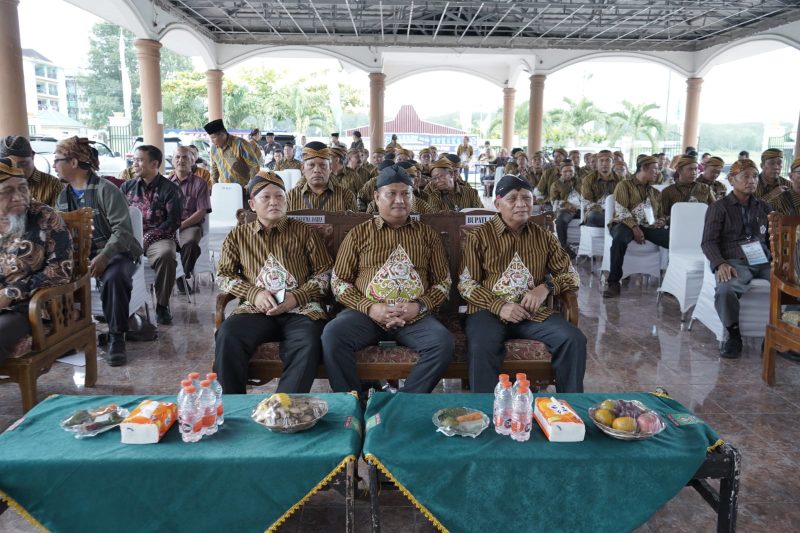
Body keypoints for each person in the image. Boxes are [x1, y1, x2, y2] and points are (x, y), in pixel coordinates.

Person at [322, 165, 454, 394]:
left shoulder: (427, 235)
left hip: (414, 316)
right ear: (376, 197)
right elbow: (339, 282)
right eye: (391, 194)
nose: (399, 200)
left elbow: (443, 283)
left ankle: (403, 404)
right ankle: (355, 401)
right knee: (333, 335)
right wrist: (370, 307)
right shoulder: (359, 234)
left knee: (442, 343)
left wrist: (419, 306)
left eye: (406, 194)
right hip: (365, 315)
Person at [458, 174, 585, 393]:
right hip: (488, 312)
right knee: (481, 345)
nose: (521, 204)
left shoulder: (544, 236)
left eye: (527, 198)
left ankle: (567, 409)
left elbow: (572, 276)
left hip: (531, 312)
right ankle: (487, 411)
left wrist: (546, 288)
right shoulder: (479, 236)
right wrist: (501, 306)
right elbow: (466, 284)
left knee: (573, 339)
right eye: (513, 198)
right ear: (497, 203)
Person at [214, 172, 332, 393]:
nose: (274, 202)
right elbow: (224, 276)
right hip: (255, 309)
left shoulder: (304, 232)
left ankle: (284, 406)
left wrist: (297, 297)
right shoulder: (237, 236)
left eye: (279, 196)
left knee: (307, 342)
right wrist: (253, 293)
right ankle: (232, 406)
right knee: (228, 335)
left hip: (301, 309)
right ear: (252, 204)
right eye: (266, 197)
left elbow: (325, 275)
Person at [55, 137, 142, 366]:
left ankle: (116, 337)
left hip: (116, 252)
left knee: (115, 276)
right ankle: (64, 337)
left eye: (57, 160)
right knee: (51, 278)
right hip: (81, 257)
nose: (54, 165)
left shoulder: (106, 190)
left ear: (73, 162)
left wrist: (104, 256)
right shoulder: (63, 197)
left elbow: (123, 231)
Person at [0, 159, 72, 365]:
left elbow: (60, 270)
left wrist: (11, 293)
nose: (19, 197)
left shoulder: (44, 217)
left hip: (29, 306)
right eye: (7, 191)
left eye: (23, 188)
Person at [701, 159, 772, 358]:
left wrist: (778, 261)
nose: (752, 181)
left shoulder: (764, 207)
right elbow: (708, 242)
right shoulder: (719, 207)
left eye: (755, 176)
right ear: (732, 180)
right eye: (746, 176)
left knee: (792, 286)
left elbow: (771, 239)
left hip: (763, 260)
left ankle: (778, 336)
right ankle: (733, 335)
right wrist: (720, 263)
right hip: (734, 261)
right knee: (725, 289)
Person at [121, 145, 182, 325]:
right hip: (131, 238)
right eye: (134, 160)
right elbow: (118, 218)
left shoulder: (170, 189)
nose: (135, 164)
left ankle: (162, 305)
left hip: (159, 238)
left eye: (140, 160)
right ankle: (121, 306)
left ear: (154, 164)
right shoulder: (127, 187)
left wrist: (148, 237)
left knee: (166, 255)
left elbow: (173, 222)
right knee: (110, 257)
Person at [603, 155, 669, 298]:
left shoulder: (655, 192)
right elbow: (621, 210)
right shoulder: (624, 185)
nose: (657, 172)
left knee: (672, 239)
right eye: (655, 169)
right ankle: (613, 282)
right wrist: (634, 228)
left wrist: (661, 222)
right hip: (624, 223)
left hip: (648, 226)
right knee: (619, 238)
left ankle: (670, 282)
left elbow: (661, 214)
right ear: (643, 168)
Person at [169, 146, 211, 293]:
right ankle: (175, 278)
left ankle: (181, 275)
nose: (181, 160)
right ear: (172, 161)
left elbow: (201, 212)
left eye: (185, 157)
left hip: (190, 225)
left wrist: (180, 226)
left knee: (191, 243)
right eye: (177, 157)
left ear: (193, 161)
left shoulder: (200, 184)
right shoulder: (165, 183)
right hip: (168, 225)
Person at [287, 142, 357, 211]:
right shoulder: (291, 197)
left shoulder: (346, 197)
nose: (317, 170)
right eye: (311, 165)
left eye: (323, 165)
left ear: (330, 168)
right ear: (303, 168)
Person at [0, 136, 62, 207]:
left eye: (23, 164)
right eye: (10, 165)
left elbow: (59, 217)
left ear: (32, 157)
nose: (19, 171)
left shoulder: (54, 185)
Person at [205, 119, 260, 190]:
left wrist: (250, 184)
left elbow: (254, 166)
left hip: (242, 189)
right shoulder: (214, 148)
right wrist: (214, 184)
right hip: (223, 189)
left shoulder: (240, 144)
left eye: (213, 138)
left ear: (222, 134)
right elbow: (214, 168)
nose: (212, 141)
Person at [659, 155, 714, 225]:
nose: (694, 172)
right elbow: (662, 214)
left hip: (702, 227)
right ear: (679, 170)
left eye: (696, 169)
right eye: (690, 169)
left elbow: (715, 210)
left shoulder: (705, 188)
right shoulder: (668, 191)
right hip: (678, 228)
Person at [580, 149, 621, 229]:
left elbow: (624, 200)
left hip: (616, 212)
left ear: (612, 163)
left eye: (608, 161)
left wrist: (615, 212)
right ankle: (616, 224)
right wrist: (604, 210)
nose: (604, 163)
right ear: (597, 163)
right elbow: (587, 202)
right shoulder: (588, 179)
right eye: (601, 161)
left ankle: (616, 224)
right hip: (596, 212)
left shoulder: (620, 179)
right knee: (593, 216)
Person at [550, 161, 582, 258]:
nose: (568, 173)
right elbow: (554, 201)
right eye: (565, 171)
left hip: (582, 208)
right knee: (560, 221)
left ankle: (586, 248)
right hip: (567, 209)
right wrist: (566, 204)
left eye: (570, 171)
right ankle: (564, 247)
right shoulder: (556, 184)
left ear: (574, 172)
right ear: (561, 172)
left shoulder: (581, 181)